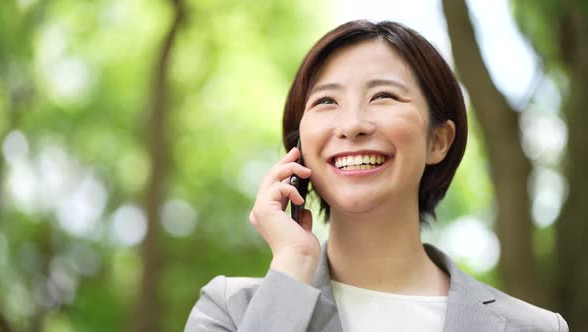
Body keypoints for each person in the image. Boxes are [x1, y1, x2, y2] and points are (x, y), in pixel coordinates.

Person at [184, 20, 568, 332]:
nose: (352, 125)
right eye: (326, 101)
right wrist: (292, 264)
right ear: (298, 148)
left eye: (383, 96)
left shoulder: (535, 327)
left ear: (438, 140)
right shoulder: (229, 311)